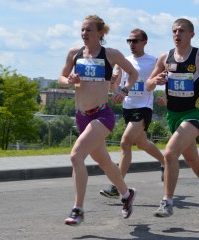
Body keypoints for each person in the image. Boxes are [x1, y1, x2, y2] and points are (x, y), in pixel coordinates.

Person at [58, 15, 138, 226]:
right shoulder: (74, 53)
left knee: (76, 156)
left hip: (102, 115)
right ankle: (126, 193)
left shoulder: (110, 54)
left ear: (100, 33)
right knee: (104, 162)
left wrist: (124, 90)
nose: (84, 34)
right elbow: (62, 77)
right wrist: (70, 80)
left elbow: (133, 73)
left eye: (89, 30)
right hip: (81, 117)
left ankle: (79, 209)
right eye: (82, 30)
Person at [146, 18, 199, 217]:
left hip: (193, 113)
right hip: (173, 115)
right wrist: (155, 81)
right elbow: (148, 84)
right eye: (174, 31)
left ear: (191, 34)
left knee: (169, 153)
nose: (177, 34)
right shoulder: (165, 58)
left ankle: (167, 202)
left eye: (181, 31)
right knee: (192, 158)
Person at [99, 29, 165, 199]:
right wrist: (113, 84)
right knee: (142, 143)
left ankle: (116, 186)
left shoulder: (153, 61)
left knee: (125, 143)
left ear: (145, 42)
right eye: (129, 41)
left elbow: (165, 79)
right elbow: (115, 88)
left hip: (144, 107)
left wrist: (165, 96)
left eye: (135, 41)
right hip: (128, 107)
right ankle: (165, 162)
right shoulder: (124, 62)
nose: (132, 44)